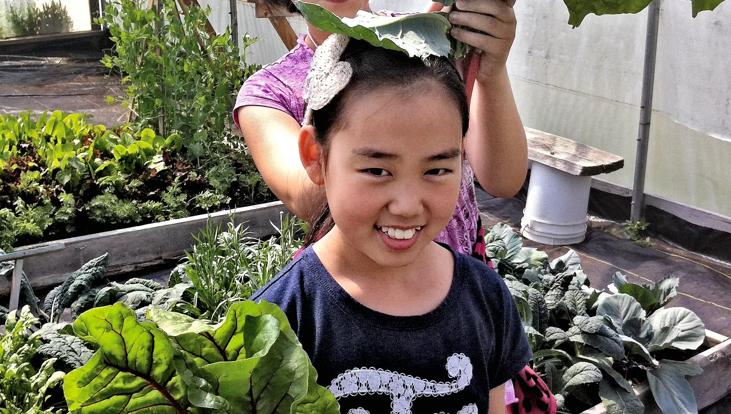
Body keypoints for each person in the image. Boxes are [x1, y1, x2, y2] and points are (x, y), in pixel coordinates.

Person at [251, 35, 531, 413]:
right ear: (315, 157)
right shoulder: (282, 320)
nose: (406, 206)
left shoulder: (487, 298)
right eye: (378, 170)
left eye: (436, 169)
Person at [234, 0, 528, 261]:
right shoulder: (270, 91)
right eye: (376, 169)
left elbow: (503, 181)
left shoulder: (428, 42)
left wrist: (490, 69)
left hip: (458, 278)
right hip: (358, 293)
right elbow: (304, 196)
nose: (407, 205)